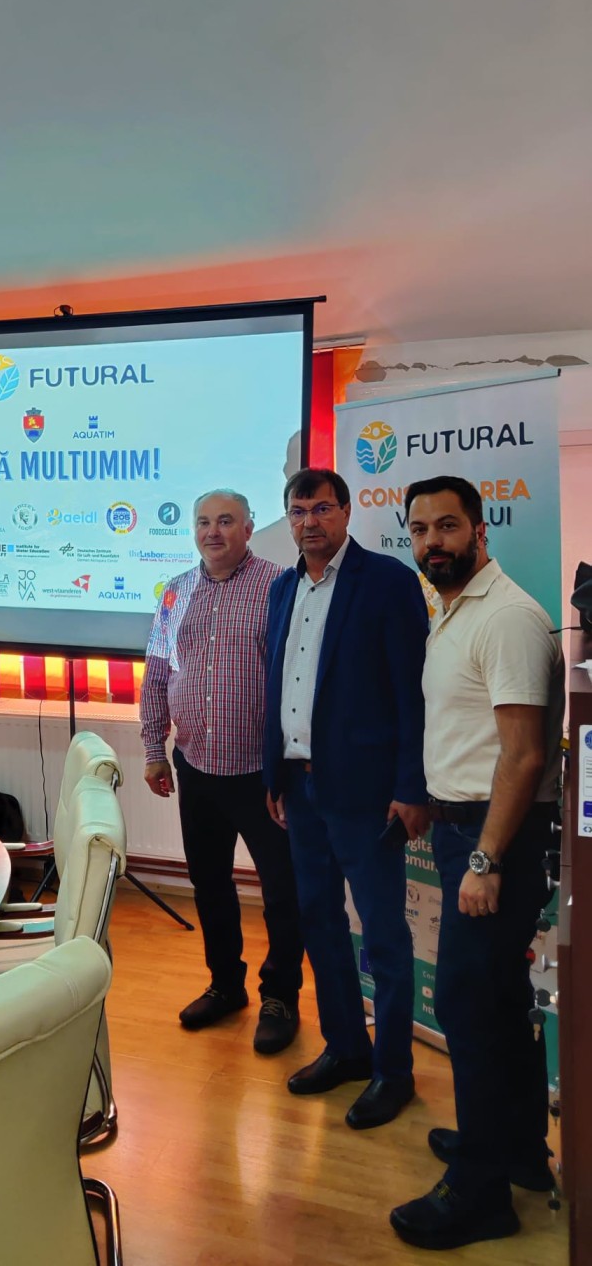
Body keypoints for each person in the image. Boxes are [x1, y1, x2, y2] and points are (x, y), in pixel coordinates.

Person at [390, 476, 563, 1250]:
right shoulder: (454, 610)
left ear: (480, 531)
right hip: (466, 830)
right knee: (494, 1002)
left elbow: (523, 757)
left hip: (498, 840)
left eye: (448, 526)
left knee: (467, 1009)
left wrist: (486, 860)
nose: (433, 542)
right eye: (420, 530)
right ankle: (516, 1149)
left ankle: (480, 1192)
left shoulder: (508, 617)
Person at [264, 468, 428, 1128]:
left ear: (347, 512)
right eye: (298, 511)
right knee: (320, 924)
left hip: (368, 795)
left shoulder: (387, 582)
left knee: (383, 935)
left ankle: (394, 1072)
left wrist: (411, 787)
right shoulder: (283, 588)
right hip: (300, 790)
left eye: (322, 509)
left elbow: (413, 694)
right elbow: (277, 686)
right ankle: (346, 1048)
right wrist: (273, 776)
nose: (310, 522)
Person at [140, 489, 305, 1053]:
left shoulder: (280, 586)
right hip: (197, 768)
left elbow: (295, 677)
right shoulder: (175, 593)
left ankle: (280, 996)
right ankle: (225, 985)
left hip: (263, 775)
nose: (213, 532)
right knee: (209, 884)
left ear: (249, 528)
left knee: (282, 892)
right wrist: (153, 748)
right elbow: (157, 671)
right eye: (204, 522)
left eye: (226, 521)